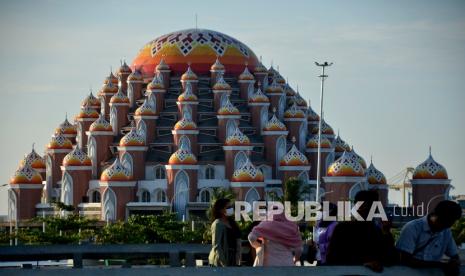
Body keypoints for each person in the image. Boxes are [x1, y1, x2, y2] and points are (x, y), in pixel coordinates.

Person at [326, 190, 390, 272]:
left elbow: (389, 259)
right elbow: (333, 258)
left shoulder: (376, 231)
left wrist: (386, 233)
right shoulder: (343, 229)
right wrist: (362, 263)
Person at [396, 200, 462, 276]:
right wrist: (440, 265)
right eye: (446, 221)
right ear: (436, 215)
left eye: (451, 223)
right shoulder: (412, 228)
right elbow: (406, 260)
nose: (448, 225)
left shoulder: (446, 231)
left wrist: (454, 262)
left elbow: (454, 255)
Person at [208, 198, 242, 266]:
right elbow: (217, 246)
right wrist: (224, 264)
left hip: (233, 260)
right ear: (220, 210)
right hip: (221, 261)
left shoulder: (232, 223)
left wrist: (238, 260)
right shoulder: (218, 224)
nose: (231, 209)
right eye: (228, 207)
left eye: (231, 207)